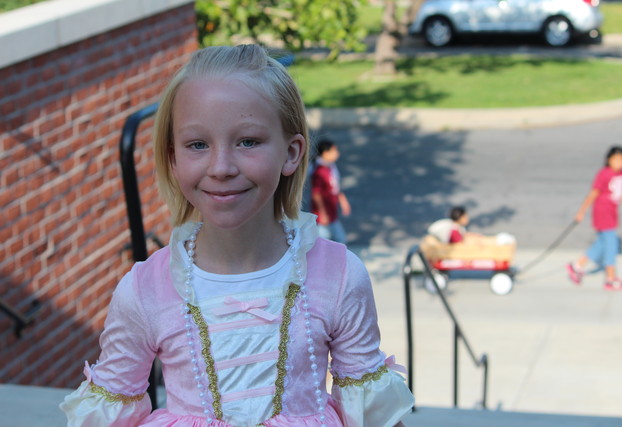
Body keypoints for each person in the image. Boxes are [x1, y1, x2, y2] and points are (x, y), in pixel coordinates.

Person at [60, 45, 413, 427]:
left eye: (248, 141)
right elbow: (107, 413)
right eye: (198, 144)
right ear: (173, 158)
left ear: (292, 154)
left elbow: (376, 415)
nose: (222, 167)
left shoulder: (340, 276)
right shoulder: (144, 291)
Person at [566, 146, 622, 290]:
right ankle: (610, 278)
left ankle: (577, 266)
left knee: (601, 244)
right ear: (608, 160)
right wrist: (581, 211)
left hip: (612, 213)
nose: (619, 163)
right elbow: (593, 194)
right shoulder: (604, 174)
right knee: (611, 246)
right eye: (615, 159)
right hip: (602, 212)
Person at [310, 139, 351, 244]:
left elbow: (335, 188)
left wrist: (343, 201)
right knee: (324, 242)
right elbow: (316, 194)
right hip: (323, 217)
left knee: (340, 239)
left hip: (332, 214)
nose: (337, 153)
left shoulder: (331, 168)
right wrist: (322, 213)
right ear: (325, 153)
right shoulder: (319, 171)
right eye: (334, 151)